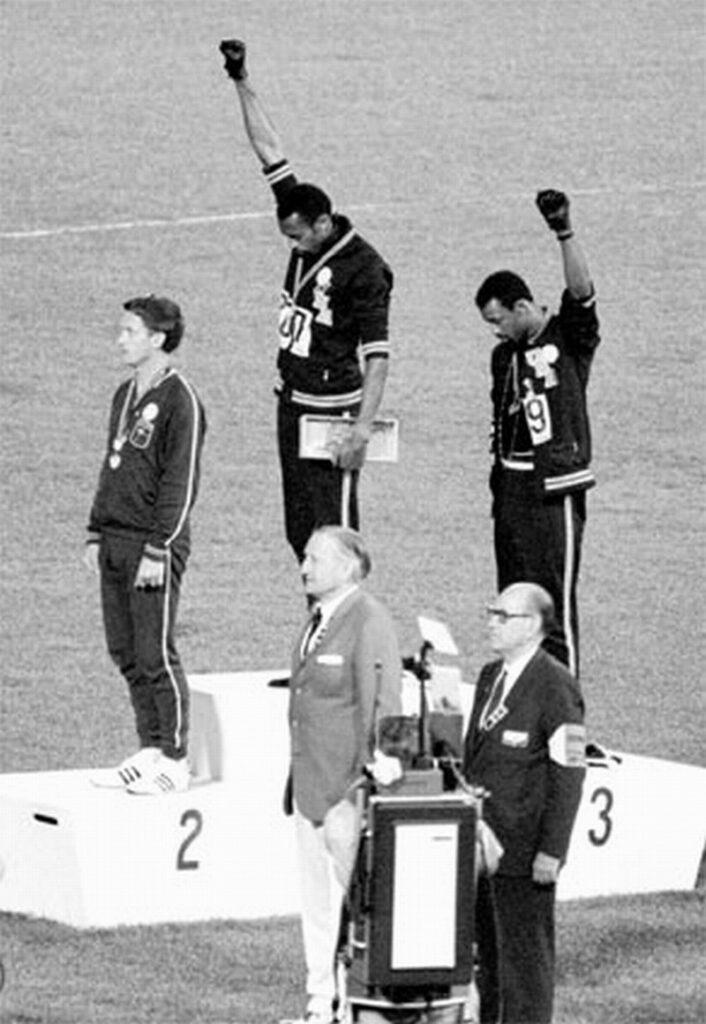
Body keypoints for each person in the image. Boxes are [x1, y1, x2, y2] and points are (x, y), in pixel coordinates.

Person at [219, 39, 394, 563]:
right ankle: (318, 611)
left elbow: (378, 355)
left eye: (297, 238)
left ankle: (348, 615)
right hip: (291, 403)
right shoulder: (302, 215)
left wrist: (361, 429)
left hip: (332, 411)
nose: (293, 247)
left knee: (334, 536)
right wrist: (240, 78)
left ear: (322, 223)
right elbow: (268, 148)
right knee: (300, 532)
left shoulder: (366, 269)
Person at [83, 296, 207, 795]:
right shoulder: (124, 394)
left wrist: (160, 549)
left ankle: (176, 758)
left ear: (158, 339)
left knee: (155, 651)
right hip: (114, 538)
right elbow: (111, 464)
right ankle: (150, 746)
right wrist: (95, 530)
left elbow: (181, 482)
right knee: (126, 651)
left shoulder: (181, 400)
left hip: (152, 546)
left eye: (130, 331)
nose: (120, 340)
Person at [475, 190, 600, 676]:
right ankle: (522, 700)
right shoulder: (502, 356)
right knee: (514, 603)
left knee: (552, 606)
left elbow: (582, 293)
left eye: (498, 320)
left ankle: (566, 708)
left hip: (552, 489)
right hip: (510, 490)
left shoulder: (568, 337)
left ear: (522, 305)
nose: (495, 331)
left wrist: (563, 231)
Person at [282, 526, 403, 1024]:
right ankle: (320, 1002)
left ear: (349, 567)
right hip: (309, 784)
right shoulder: (319, 618)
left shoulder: (368, 619)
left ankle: (354, 1001)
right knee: (316, 901)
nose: (304, 568)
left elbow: (384, 702)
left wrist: (374, 777)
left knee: (355, 904)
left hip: (347, 791)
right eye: (305, 558)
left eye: (314, 559)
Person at [463, 583, 586, 1024]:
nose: (491, 623)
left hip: (524, 850)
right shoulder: (489, 676)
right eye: (491, 612)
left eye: (503, 616)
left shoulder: (555, 685)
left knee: (525, 965)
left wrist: (552, 850)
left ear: (532, 625)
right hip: (483, 844)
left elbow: (569, 773)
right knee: (488, 960)